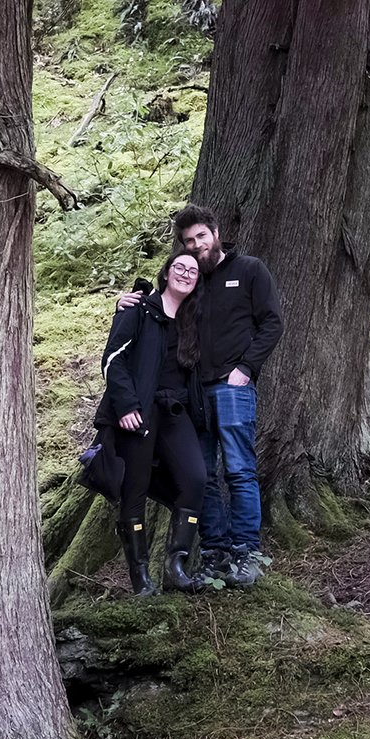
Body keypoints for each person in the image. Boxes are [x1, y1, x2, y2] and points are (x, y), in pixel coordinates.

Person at [124, 205, 284, 585]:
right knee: (204, 476)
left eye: (201, 237)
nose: (196, 246)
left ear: (215, 232)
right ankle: (214, 551)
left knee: (240, 469)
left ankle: (246, 553)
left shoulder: (249, 270)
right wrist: (127, 301)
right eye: (189, 241)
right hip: (191, 391)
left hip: (232, 388)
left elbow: (273, 322)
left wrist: (246, 368)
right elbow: (161, 306)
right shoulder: (189, 277)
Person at [97, 251, 211, 595]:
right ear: (165, 274)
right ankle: (141, 580)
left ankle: (175, 565)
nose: (186, 274)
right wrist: (126, 406)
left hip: (175, 413)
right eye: (179, 267)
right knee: (134, 491)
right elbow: (113, 360)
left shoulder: (194, 320)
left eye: (192, 271)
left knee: (195, 478)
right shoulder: (138, 310)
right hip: (139, 413)